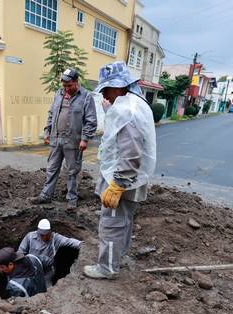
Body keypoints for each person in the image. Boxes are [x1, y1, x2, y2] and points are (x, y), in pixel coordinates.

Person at [83, 61, 156, 280]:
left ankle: (107, 268)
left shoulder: (126, 110)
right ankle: (117, 257)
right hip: (133, 177)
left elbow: (132, 152)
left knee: (112, 222)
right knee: (123, 220)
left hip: (122, 177)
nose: (105, 95)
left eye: (106, 90)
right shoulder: (134, 103)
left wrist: (117, 185)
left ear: (119, 86)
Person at [30, 68, 97, 210]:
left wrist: (85, 139)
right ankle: (45, 196)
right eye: (64, 86)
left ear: (76, 82)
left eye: (69, 86)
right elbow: (51, 113)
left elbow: (91, 120)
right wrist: (47, 130)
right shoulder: (58, 94)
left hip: (73, 142)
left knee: (73, 171)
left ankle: (71, 199)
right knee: (51, 168)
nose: (66, 89)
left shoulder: (86, 97)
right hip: (56, 139)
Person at [17, 219, 81, 286]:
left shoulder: (55, 238)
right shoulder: (30, 237)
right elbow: (20, 252)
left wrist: (82, 244)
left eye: (46, 234)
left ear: (50, 231)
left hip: (47, 271)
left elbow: (69, 241)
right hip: (31, 269)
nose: (44, 237)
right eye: (41, 235)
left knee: (47, 290)